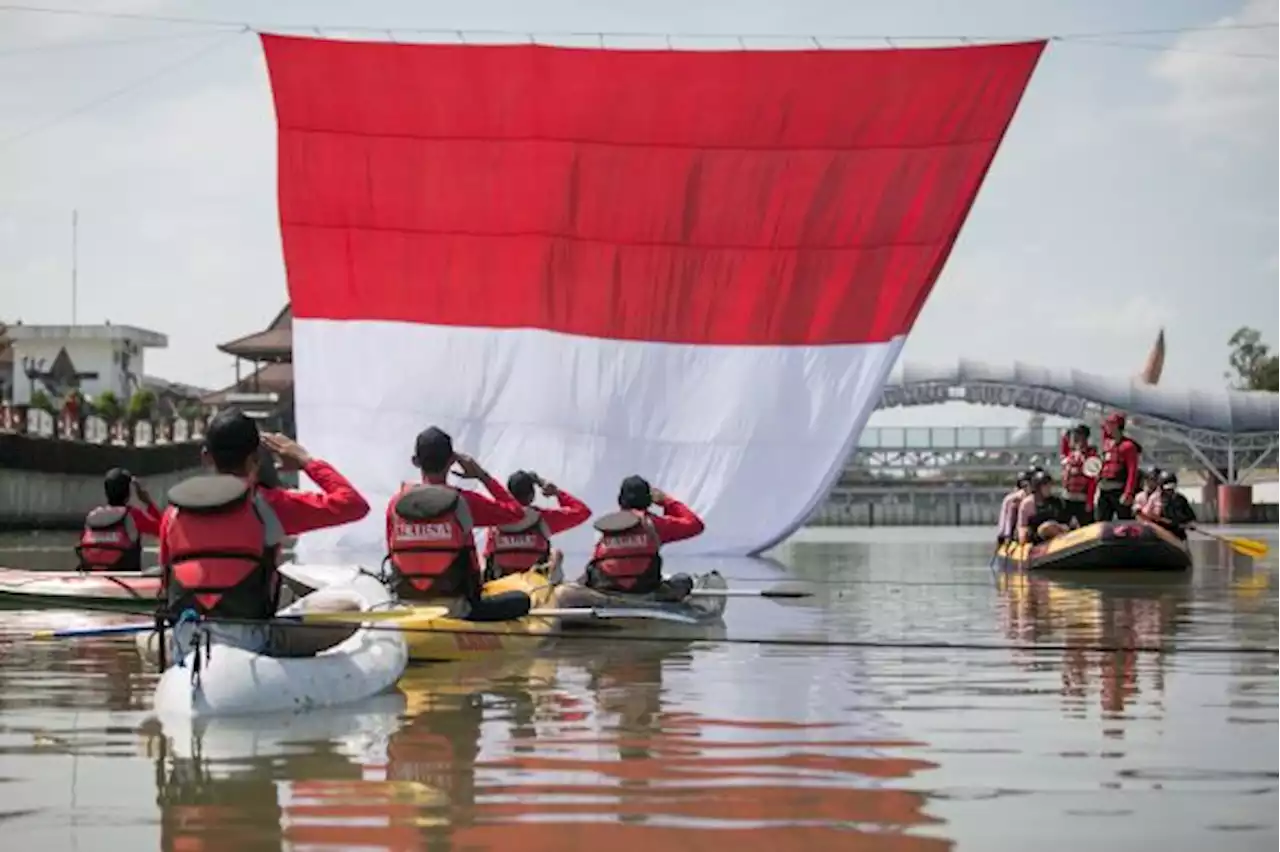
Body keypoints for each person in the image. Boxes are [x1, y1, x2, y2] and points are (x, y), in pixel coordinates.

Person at [156, 408, 371, 660]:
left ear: (206, 457)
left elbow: (165, 584)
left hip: (186, 638)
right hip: (253, 641)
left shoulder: (173, 513)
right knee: (349, 612)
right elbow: (354, 505)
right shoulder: (270, 504)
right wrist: (305, 461)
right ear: (254, 459)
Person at [383, 426, 534, 620]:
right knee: (522, 600)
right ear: (451, 461)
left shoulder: (395, 504)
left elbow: (392, 549)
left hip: (406, 604)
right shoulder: (464, 501)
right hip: (457, 608)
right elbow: (516, 513)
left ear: (415, 461)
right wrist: (481, 475)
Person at [582, 475, 705, 601]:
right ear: (649, 500)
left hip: (606, 589)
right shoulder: (655, 524)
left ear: (620, 500)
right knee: (683, 580)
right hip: (644, 589)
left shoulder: (606, 525)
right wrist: (666, 501)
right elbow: (696, 525)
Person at [481, 470, 591, 581]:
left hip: (501, 585)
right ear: (532, 495)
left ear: (509, 494)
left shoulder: (495, 523)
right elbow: (582, 511)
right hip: (536, 585)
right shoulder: (543, 519)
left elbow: (488, 556)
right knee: (556, 554)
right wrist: (556, 492)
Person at [75, 467, 163, 572]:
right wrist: (148, 503)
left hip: (93, 575)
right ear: (128, 493)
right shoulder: (133, 515)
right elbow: (163, 530)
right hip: (125, 577)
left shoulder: (93, 515)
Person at [1095, 413, 1142, 522]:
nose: (1108, 427)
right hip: (1104, 490)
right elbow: (1104, 433)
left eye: (1111, 424)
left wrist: (1128, 493)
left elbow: (1132, 471)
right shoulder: (1107, 444)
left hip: (1119, 490)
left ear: (1117, 426)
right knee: (1101, 521)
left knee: (1125, 522)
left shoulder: (1128, 446)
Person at [1059, 424, 1099, 529]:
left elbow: (1092, 481)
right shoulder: (1071, 455)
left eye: (1078, 435)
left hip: (1082, 499)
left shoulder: (1091, 455)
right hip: (1067, 497)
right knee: (1063, 525)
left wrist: (1090, 501)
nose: (1075, 438)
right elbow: (1064, 452)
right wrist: (1065, 437)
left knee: (1087, 527)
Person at [1140, 471, 1197, 540]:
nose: (1170, 491)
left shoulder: (1180, 499)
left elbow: (1190, 516)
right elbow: (1147, 515)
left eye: (1172, 488)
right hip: (1162, 534)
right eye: (1168, 489)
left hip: (1179, 535)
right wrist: (1163, 521)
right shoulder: (1155, 499)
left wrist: (1188, 524)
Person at [1016, 471, 1068, 545]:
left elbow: (1065, 520)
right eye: (1045, 485)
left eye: (1050, 485)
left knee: (1050, 526)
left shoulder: (1057, 501)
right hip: (1037, 538)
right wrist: (1023, 537)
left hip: (1058, 533)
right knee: (1046, 527)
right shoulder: (1027, 504)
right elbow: (1022, 526)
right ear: (1037, 488)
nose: (1049, 488)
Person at [996, 469, 1033, 546]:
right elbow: (1007, 519)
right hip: (1018, 533)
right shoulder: (1012, 500)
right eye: (1023, 485)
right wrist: (1005, 536)